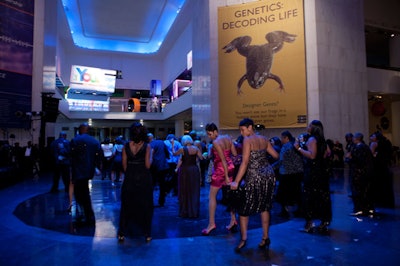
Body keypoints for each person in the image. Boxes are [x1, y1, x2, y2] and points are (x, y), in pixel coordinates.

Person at [230, 118, 279, 253]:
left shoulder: (247, 140)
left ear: (250, 127)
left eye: (242, 129)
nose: (241, 133)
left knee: (244, 209)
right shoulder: (264, 139)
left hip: (254, 177)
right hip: (268, 176)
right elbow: (276, 155)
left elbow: (245, 163)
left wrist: (236, 181)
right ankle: (265, 237)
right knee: (265, 207)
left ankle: (244, 239)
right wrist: (263, 160)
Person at [294, 120, 332, 234]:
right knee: (323, 197)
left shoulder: (312, 139)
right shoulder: (323, 140)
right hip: (322, 172)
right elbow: (328, 153)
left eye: (310, 125)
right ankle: (324, 222)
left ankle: (309, 224)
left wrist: (299, 148)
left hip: (312, 173)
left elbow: (312, 155)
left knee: (309, 197)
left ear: (314, 128)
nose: (308, 127)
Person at [117, 122, 153, 243]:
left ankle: (122, 233)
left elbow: (124, 165)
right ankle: (147, 234)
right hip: (143, 178)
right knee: (145, 206)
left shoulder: (126, 146)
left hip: (130, 178)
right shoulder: (147, 146)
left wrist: (131, 171)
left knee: (126, 206)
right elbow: (148, 165)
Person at [202, 123, 238, 235]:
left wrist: (226, 176)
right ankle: (233, 220)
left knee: (212, 196)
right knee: (230, 196)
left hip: (221, 170)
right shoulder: (228, 138)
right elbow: (234, 153)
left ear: (215, 131)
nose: (209, 136)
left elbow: (222, 160)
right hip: (230, 167)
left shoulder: (216, 142)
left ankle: (211, 224)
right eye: (208, 134)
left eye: (210, 134)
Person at [70, 123, 102, 226]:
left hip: (78, 171)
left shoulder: (75, 140)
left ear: (80, 130)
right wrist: (96, 167)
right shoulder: (94, 141)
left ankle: (84, 214)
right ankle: (88, 214)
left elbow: (71, 155)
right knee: (85, 192)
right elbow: (99, 156)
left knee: (79, 193)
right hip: (89, 171)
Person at [274, 130, 304, 218]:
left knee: (282, 194)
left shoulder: (286, 147)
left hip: (287, 173)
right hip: (297, 173)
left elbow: (281, 160)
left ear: (286, 138)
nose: (281, 140)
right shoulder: (294, 145)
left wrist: (271, 168)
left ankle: (284, 211)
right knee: (297, 192)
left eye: (282, 138)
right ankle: (299, 210)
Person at [174, 135, 203, 218]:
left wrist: (173, 145)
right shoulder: (196, 149)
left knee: (184, 190)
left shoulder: (182, 149)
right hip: (194, 170)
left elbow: (175, 154)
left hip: (185, 171)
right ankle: (194, 212)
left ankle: (185, 211)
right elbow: (201, 158)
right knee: (194, 190)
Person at [346, 132, 375, 216]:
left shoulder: (357, 148)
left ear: (356, 138)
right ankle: (369, 208)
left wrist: (348, 158)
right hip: (367, 173)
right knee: (366, 191)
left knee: (358, 192)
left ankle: (359, 209)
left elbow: (356, 160)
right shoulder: (366, 147)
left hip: (358, 173)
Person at [370, 131, 394, 208]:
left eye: (373, 136)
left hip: (379, 167)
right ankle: (385, 201)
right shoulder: (386, 143)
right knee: (385, 185)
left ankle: (381, 201)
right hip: (383, 167)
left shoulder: (377, 144)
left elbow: (372, 155)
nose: (371, 137)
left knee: (381, 184)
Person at [148, 133, 170, 207]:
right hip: (163, 165)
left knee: (152, 184)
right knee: (162, 184)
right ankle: (161, 201)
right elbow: (167, 152)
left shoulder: (150, 145)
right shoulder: (161, 142)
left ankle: (150, 201)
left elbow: (150, 155)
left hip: (154, 166)